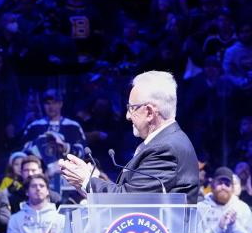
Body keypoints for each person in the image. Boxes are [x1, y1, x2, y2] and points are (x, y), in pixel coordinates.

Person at [59, 71, 200, 203]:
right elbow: (133, 195)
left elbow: (130, 201)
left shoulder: (165, 149)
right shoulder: (167, 142)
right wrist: (94, 179)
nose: (127, 116)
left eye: (131, 108)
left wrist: (87, 181)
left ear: (150, 112)